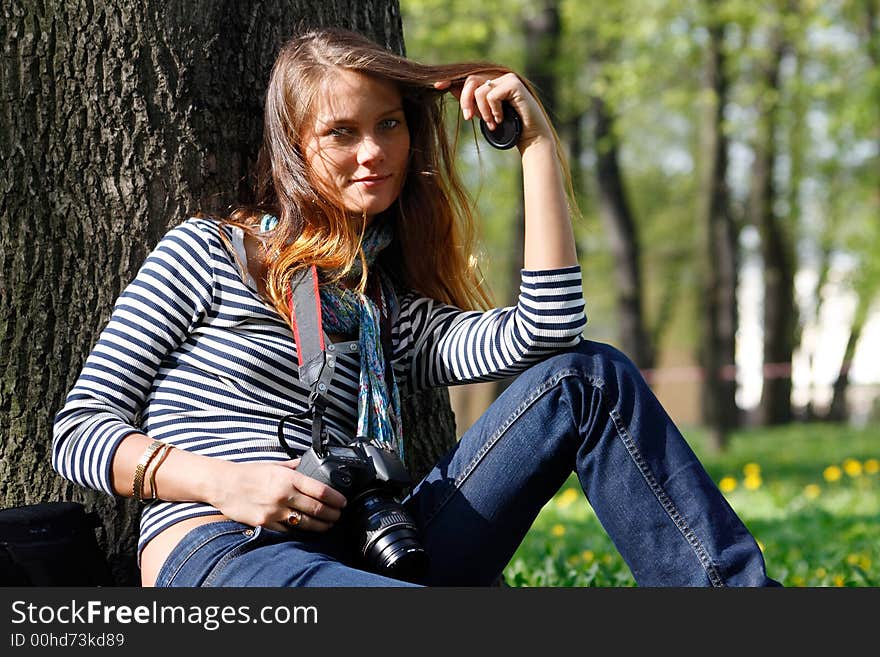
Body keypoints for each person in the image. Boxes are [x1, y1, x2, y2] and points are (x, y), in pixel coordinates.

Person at [52, 27, 779, 587]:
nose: (373, 151)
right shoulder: (208, 253)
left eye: (389, 124)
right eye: (341, 132)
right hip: (225, 547)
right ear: (295, 151)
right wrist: (227, 482)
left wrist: (534, 145)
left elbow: (550, 333)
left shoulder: (383, 311)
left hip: (370, 542)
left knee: (586, 377)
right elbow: (79, 431)